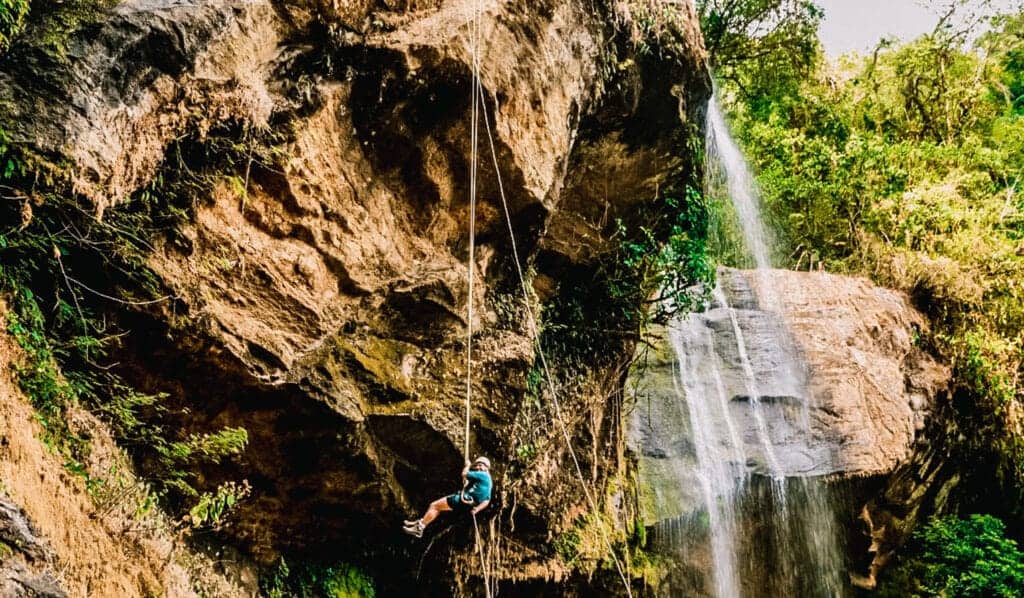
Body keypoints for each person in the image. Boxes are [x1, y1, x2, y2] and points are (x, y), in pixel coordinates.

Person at [403, 456, 492, 538]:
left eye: (481, 465)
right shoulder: (489, 481)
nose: (478, 468)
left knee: (434, 506)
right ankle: (420, 523)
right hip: (466, 506)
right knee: (438, 508)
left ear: (486, 468)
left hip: (461, 500)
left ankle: (419, 528)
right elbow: (487, 500)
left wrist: (468, 465)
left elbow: (464, 473)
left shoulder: (483, 475)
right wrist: (477, 509)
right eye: (477, 466)